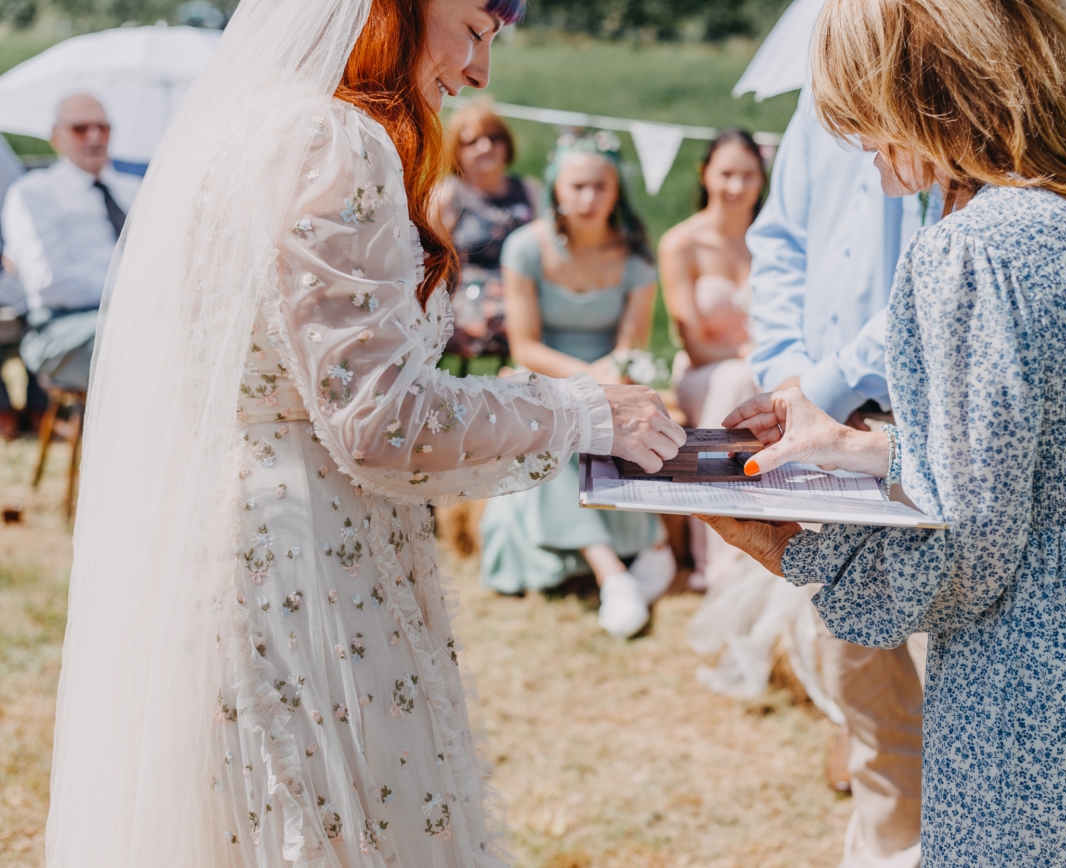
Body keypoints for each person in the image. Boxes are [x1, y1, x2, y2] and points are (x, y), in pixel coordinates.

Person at [44, 0, 685, 864]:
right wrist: (582, 410)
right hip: (311, 563)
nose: (479, 71)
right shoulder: (334, 145)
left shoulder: (236, 132)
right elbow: (384, 418)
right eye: (476, 29)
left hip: (218, 537)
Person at [704, 0, 1066, 863]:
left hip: (1030, 661)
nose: (851, 140)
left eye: (859, 110)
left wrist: (787, 551)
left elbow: (970, 547)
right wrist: (855, 445)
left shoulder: (969, 250)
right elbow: (1036, 452)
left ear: (923, 93)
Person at [743, 76, 936, 868]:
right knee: (858, 660)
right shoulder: (813, 100)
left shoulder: (949, 104)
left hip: (916, 414)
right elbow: (781, 241)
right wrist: (790, 375)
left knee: (941, 655)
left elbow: (938, 276)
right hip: (815, 412)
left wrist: (829, 388)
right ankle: (889, 841)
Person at [478, 135, 677, 638]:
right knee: (563, 425)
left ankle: (650, 548)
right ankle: (615, 572)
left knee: (618, 423)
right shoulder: (525, 248)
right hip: (546, 376)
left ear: (617, 192)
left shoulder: (635, 255)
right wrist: (585, 387)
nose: (589, 198)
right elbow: (524, 346)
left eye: (600, 186)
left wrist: (608, 380)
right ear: (556, 190)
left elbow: (631, 343)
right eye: (578, 186)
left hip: (613, 375)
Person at [659, 129, 766, 591]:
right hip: (703, 372)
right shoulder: (681, 244)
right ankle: (720, 561)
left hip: (766, 373)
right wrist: (749, 352)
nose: (737, 187)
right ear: (706, 175)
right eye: (727, 174)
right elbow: (696, 345)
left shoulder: (772, 241)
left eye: (748, 175)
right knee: (735, 378)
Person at [0, 93, 138, 394]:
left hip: (138, 315)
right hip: (63, 328)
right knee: (145, 337)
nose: (94, 136)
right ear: (55, 136)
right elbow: (51, 282)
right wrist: (140, 293)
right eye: (80, 128)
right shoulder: (32, 193)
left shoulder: (136, 190)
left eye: (103, 128)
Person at [437, 101, 540, 373]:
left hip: (524, 293)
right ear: (456, 152)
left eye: (493, 138)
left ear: (506, 144)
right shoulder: (448, 196)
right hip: (467, 299)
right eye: (472, 142)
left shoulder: (529, 192)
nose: (486, 147)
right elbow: (431, 262)